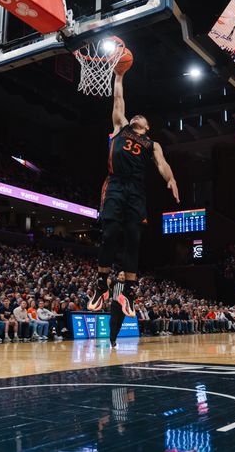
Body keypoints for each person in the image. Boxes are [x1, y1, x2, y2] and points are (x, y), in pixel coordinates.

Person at [88, 59, 180, 349]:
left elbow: (163, 165)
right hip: (115, 184)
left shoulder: (153, 145)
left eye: (142, 117)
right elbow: (118, 97)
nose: (136, 115)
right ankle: (102, 283)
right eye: (135, 115)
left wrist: (171, 179)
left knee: (133, 240)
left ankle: (127, 290)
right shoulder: (120, 126)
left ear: (148, 127)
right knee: (110, 233)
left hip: (136, 192)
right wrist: (119, 75)